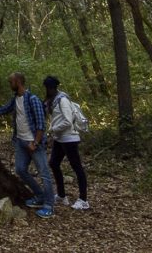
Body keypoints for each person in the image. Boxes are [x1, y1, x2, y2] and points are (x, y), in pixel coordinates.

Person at [0, 73, 54, 218]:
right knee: (21, 170)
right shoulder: (15, 99)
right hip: (21, 142)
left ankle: (49, 204)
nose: (10, 84)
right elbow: (2, 110)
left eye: (11, 82)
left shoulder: (32, 100)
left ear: (18, 82)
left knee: (44, 173)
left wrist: (35, 142)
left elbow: (41, 124)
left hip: (34, 143)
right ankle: (39, 196)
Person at [44, 76, 90, 210]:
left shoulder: (63, 100)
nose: (47, 90)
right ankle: (62, 195)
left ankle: (83, 199)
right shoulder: (53, 100)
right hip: (60, 138)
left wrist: (52, 129)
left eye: (48, 88)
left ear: (52, 87)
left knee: (77, 167)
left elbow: (68, 121)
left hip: (69, 138)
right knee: (54, 163)